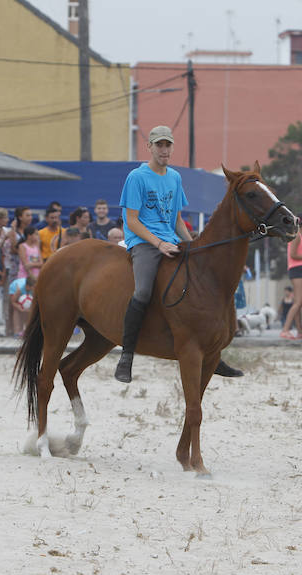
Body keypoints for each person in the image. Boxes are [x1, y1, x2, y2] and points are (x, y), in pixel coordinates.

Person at [114, 125, 194, 383]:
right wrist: (158, 244)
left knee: (198, 282)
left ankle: (209, 345)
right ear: (149, 147)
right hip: (144, 241)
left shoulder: (175, 177)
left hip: (171, 240)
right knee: (143, 291)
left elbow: (177, 219)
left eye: (167, 144)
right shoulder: (137, 177)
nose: (164, 149)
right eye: (159, 144)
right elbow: (132, 221)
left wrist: (193, 245)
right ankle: (126, 355)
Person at [3, 206, 32, 336]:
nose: (30, 218)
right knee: (13, 297)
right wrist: (13, 230)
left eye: (30, 215)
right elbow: (14, 248)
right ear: (20, 217)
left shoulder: (30, 231)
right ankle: (10, 328)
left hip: (26, 267)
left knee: (26, 298)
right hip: (15, 266)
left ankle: (23, 328)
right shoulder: (13, 231)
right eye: (27, 215)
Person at [280, 214, 302, 340]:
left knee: (299, 302)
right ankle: (286, 329)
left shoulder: (299, 235)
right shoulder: (296, 236)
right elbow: (293, 255)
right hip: (296, 268)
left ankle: (300, 331)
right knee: (298, 302)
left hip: (298, 269)